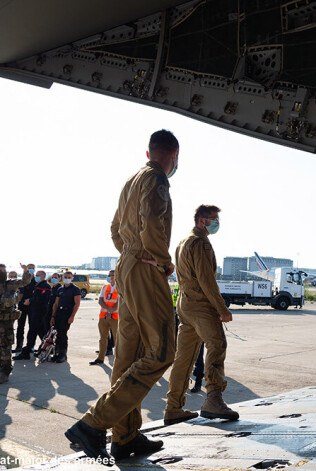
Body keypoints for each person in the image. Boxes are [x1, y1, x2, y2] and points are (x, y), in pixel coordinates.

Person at [65, 129, 179, 462]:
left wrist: (129, 252)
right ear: (173, 156)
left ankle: (125, 436)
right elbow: (152, 224)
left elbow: (116, 228)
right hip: (145, 267)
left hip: (127, 264)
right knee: (161, 351)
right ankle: (94, 423)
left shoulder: (131, 181)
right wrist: (161, 259)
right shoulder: (158, 179)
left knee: (128, 354)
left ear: (149, 152)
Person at [164, 204, 238, 425]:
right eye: (212, 219)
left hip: (185, 303)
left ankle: (173, 407)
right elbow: (207, 280)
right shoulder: (201, 243)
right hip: (200, 304)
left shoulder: (183, 242)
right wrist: (221, 308)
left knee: (184, 357)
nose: (216, 223)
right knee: (217, 345)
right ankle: (213, 400)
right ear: (200, 220)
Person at [0, 264, 32, 383]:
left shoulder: (10, 284)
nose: (1, 273)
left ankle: (5, 371)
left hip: (6, 322)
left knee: (5, 346)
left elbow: (25, 281)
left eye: (3, 271)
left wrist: (25, 270)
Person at [14, 270, 51, 360]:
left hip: (39, 311)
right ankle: (45, 348)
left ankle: (28, 351)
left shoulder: (45, 286)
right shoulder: (38, 285)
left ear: (44, 276)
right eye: (36, 275)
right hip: (35, 310)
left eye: (38, 275)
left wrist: (30, 301)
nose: (36, 277)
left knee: (33, 331)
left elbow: (42, 299)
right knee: (40, 331)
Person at [50, 271, 81, 363]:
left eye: (69, 277)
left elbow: (77, 304)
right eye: (65, 277)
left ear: (72, 278)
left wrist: (72, 316)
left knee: (63, 334)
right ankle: (57, 353)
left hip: (67, 313)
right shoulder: (60, 289)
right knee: (56, 334)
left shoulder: (75, 289)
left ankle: (63, 354)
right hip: (59, 313)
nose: (67, 279)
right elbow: (56, 303)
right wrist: (53, 316)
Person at [89, 270, 118, 365]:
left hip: (115, 317)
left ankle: (119, 360)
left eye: (111, 275)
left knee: (118, 339)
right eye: (109, 275)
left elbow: (120, 302)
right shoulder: (105, 287)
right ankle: (100, 358)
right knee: (103, 338)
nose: (109, 277)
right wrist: (109, 310)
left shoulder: (121, 287)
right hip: (103, 317)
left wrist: (111, 311)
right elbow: (100, 300)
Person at [13, 263, 35, 353]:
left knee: (32, 327)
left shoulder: (36, 281)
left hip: (32, 306)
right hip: (22, 306)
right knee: (20, 327)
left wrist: (30, 300)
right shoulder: (22, 281)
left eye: (32, 268)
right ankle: (19, 346)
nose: (30, 269)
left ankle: (30, 346)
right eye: (29, 268)